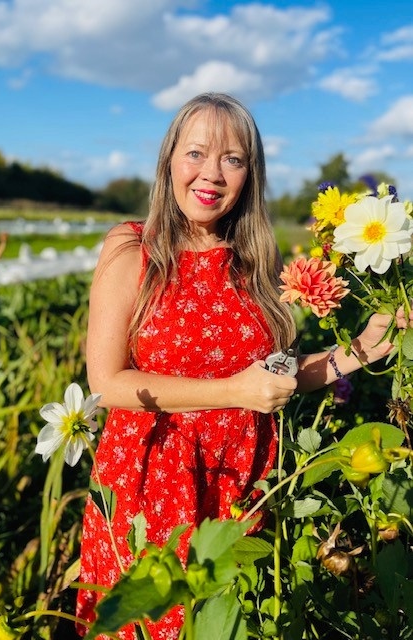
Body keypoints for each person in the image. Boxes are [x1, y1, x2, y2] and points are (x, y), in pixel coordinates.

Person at [75, 92, 412, 640]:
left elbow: (276, 378)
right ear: (169, 160)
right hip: (153, 487)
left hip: (240, 486)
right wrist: (235, 391)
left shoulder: (255, 259)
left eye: (232, 159)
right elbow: (107, 383)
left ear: (249, 175)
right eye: (196, 153)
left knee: (231, 622)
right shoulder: (133, 247)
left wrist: (363, 349)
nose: (212, 173)